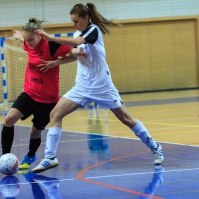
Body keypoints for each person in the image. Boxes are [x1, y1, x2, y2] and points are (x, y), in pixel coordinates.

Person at [32, 3, 164, 173]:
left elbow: (77, 42)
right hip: (82, 86)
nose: (74, 25)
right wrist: (56, 62)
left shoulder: (93, 30)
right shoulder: (77, 32)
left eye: (76, 21)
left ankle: (155, 147)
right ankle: (50, 157)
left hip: (102, 86)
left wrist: (49, 38)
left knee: (126, 119)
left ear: (86, 18)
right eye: (72, 21)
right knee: (55, 114)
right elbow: (76, 54)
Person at [0, 18, 82, 170]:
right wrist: (18, 36)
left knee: (34, 132)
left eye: (30, 39)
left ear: (39, 35)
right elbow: (23, 41)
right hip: (29, 93)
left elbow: (74, 55)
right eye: (25, 39)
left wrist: (55, 63)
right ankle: (4, 156)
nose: (28, 43)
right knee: (9, 119)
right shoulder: (27, 42)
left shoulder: (51, 45)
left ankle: (30, 156)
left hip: (47, 99)